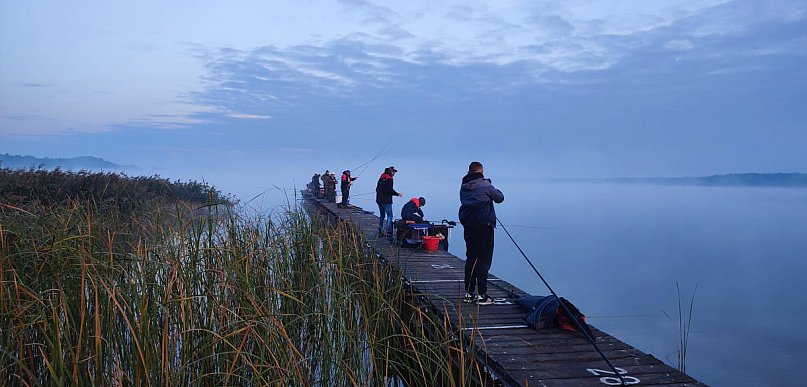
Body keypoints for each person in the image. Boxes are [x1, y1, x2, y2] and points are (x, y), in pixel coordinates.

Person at [459, 161, 504, 305]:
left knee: (471, 258)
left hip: (469, 226)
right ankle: (482, 295)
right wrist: (490, 186)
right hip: (484, 226)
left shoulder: (463, 186)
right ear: (481, 171)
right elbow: (499, 198)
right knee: (484, 259)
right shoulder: (485, 184)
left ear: (469, 171)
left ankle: (468, 293)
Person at [375, 166, 402, 237]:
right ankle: (389, 232)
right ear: (390, 172)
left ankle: (380, 231)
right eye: (393, 172)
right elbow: (390, 190)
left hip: (379, 200)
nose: (394, 173)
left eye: (394, 172)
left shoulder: (381, 178)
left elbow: (377, 189)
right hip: (386, 201)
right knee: (390, 216)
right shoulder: (389, 179)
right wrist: (397, 194)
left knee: (382, 216)